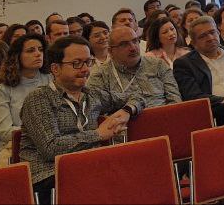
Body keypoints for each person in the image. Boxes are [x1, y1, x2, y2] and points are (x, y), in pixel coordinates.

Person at [19, 36, 143, 204]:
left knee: (136, 171)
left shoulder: (92, 94)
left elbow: (136, 96)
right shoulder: (39, 99)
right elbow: (50, 148)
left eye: (88, 62)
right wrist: (98, 135)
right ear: (55, 69)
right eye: (76, 63)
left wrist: (127, 111)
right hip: (50, 175)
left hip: (90, 167)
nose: (85, 69)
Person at [0, 33, 51, 167]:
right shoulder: (1, 90)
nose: (38, 54)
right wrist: (43, 133)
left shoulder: (53, 81)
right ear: (17, 57)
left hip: (53, 145)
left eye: (40, 49)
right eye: (31, 50)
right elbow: (5, 132)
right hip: (15, 148)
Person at [90, 26, 181, 108]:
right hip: (126, 119)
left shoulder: (158, 65)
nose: (133, 48)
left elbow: (175, 100)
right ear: (111, 51)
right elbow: (94, 107)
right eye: (124, 44)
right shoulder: (101, 75)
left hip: (163, 116)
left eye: (135, 41)